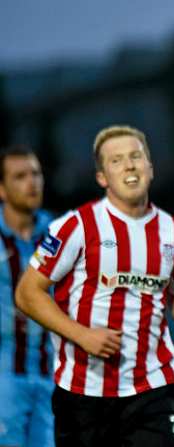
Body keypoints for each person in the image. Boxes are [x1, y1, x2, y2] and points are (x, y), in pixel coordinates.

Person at [15, 125, 174, 446]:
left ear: (150, 167)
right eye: (116, 160)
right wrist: (82, 335)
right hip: (83, 394)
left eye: (136, 157)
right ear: (102, 178)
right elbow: (27, 292)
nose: (129, 165)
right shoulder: (75, 226)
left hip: (153, 388)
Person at [0, 146, 54, 447]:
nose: (32, 182)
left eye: (36, 174)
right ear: (2, 189)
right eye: (20, 176)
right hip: (4, 377)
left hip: (50, 375)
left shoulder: (58, 233)